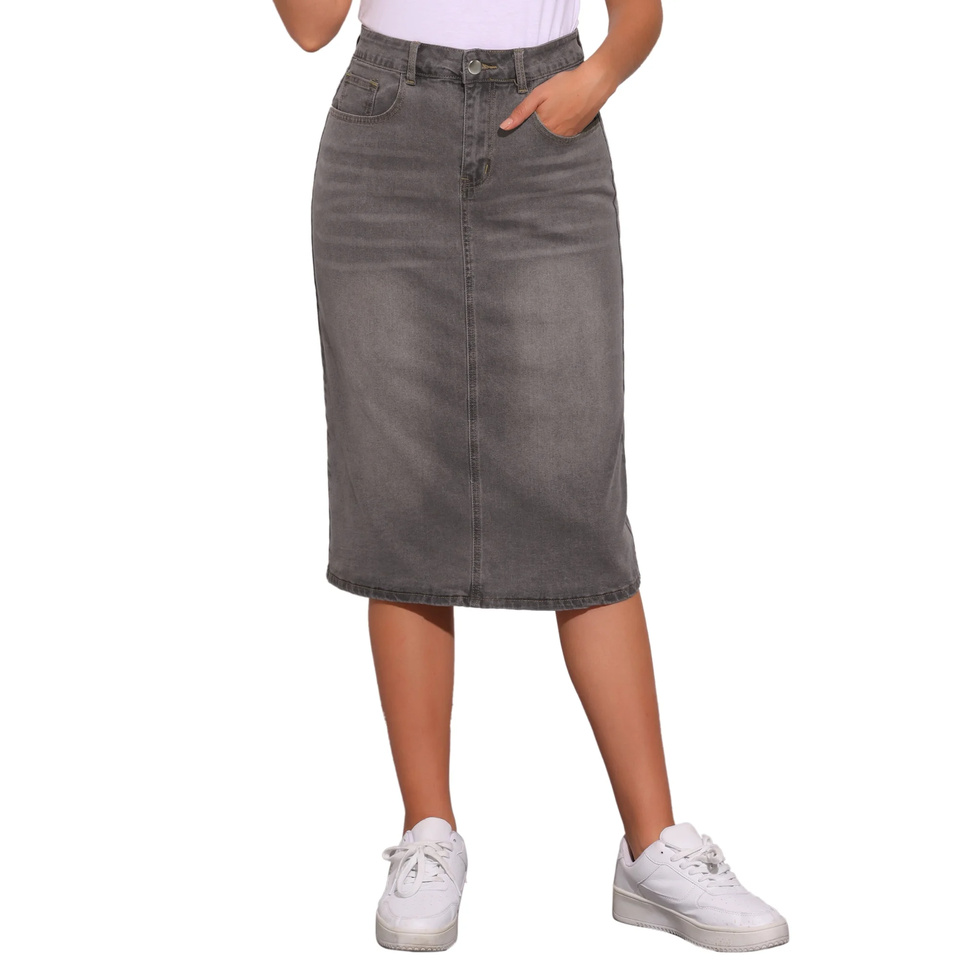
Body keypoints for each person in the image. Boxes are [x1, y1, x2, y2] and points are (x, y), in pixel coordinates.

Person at [270, 0, 788, 952]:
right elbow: (310, 26)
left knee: (575, 492)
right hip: (385, 134)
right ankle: (428, 834)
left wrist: (597, 80)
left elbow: (639, 16)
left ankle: (652, 846)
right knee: (401, 491)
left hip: (549, 136)